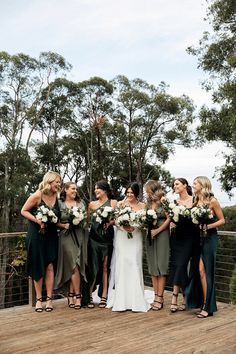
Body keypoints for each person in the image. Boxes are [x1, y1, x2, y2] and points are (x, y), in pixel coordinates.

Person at [21, 171, 61, 312]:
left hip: (51, 236)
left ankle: (49, 300)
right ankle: (39, 300)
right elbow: (24, 211)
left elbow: (58, 218)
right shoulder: (37, 195)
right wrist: (37, 220)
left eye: (59, 182)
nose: (58, 184)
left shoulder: (57, 197)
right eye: (57, 181)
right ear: (49, 181)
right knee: (38, 266)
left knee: (50, 266)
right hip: (36, 235)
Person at [107, 182, 150, 312]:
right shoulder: (121, 204)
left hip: (135, 237)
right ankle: (122, 301)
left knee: (135, 264)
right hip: (122, 237)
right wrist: (123, 226)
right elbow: (114, 220)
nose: (129, 195)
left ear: (136, 193)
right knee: (122, 265)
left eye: (132, 192)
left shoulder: (143, 205)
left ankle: (136, 301)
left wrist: (136, 226)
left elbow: (145, 223)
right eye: (128, 192)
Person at [186, 176, 225, 318]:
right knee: (200, 272)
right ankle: (203, 303)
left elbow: (222, 220)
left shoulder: (212, 201)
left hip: (210, 239)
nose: (193, 185)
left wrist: (208, 226)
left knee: (207, 272)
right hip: (198, 239)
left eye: (195, 183)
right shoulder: (196, 201)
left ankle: (207, 307)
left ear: (203, 185)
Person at [54, 182, 88, 309]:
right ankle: (77, 296)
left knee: (77, 265)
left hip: (79, 235)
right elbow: (54, 221)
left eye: (76, 189)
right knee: (72, 265)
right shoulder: (59, 203)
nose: (75, 191)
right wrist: (63, 225)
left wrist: (79, 220)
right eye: (73, 189)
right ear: (66, 190)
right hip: (66, 236)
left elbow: (85, 218)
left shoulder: (81, 203)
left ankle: (72, 295)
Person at [168, 178, 200, 313]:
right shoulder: (174, 203)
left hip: (191, 238)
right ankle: (183, 297)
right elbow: (170, 219)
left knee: (182, 266)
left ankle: (175, 297)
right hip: (176, 238)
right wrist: (171, 223)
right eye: (174, 184)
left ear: (185, 185)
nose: (174, 186)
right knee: (178, 266)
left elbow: (199, 218)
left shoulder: (195, 201)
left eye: (177, 184)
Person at [87, 180, 117, 308]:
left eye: (97, 188)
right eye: (95, 188)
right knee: (93, 267)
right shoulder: (91, 205)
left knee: (105, 267)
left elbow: (117, 219)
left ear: (104, 190)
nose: (95, 191)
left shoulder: (113, 203)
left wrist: (110, 222)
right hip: (93, 240)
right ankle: (89, 295)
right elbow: (87, 222)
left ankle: (104, 296)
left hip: (107, 240)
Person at [144, 180, 170, 310]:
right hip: (149, 235)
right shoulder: (148, 204)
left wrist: (158, 230)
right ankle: (155, 296)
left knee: (161, 265)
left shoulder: (163, 200)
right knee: (153, 266)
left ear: (153, 190)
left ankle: (160, 297)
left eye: (147, 191)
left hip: (162, 235)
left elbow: (169, 218)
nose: (146, 193)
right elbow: (144, 218)